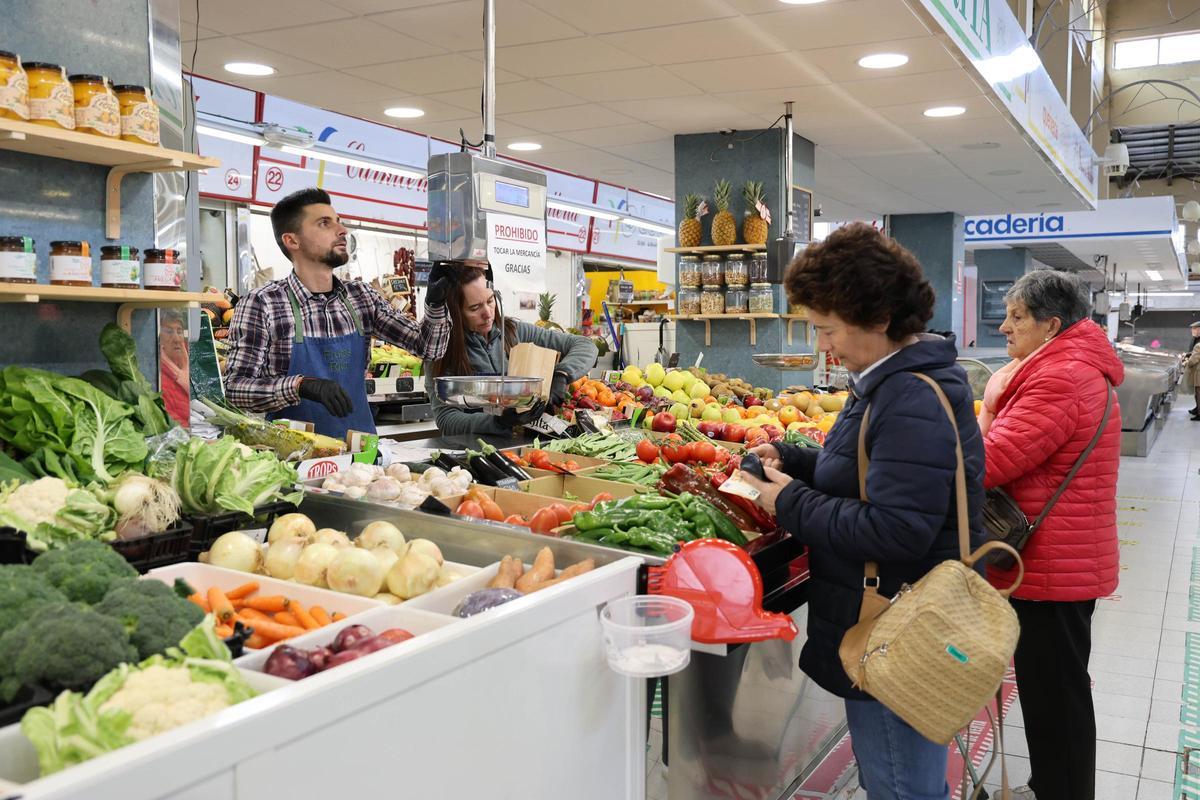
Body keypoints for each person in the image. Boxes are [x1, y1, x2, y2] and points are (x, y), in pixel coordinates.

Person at [739, 222, 984, 800]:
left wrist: (786, 498)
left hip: (896, 628)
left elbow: (897, 529)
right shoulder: (883, 382)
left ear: (876, 319)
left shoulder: (909, 395)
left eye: (827, 329)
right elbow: (872, 471)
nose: (823, 345)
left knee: (902, 785)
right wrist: (796, 459)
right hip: (883, 619)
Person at [977, 270, 1123, 800]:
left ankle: (1061, 791)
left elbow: (993, 461)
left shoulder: (1060, 376)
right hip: (1062, 560)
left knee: (1056, 696)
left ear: (1051, 325)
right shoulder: (1068, 368)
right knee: (1050, 692)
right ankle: (1053, 786)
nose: (1005, 325)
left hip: (1054, 566)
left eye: (1017, 317)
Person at [224, 188, 453, 438]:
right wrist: (300, 386)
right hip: (294, 462)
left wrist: (435, 304)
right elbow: (236, 390)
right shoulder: (263, 303)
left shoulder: (361, 298)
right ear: (292, 241)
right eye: (324, 223)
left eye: (339, 221)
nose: (342, 230)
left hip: (361, 461)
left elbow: (430, 348)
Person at [426, 266, 597, 436]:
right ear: (456, 312)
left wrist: (562, 374)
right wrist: (498, 422)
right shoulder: (441, 348)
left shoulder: (513, 332)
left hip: (520, 445)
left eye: (490, 301)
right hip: (473, 452)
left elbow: (584, 345)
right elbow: (446, 419)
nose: (487, 313)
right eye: (474, 308)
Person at [158, 310, 190, 426]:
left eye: (179, 331)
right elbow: (176, 428)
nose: (177, 339)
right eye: (169, 332)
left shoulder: (193, 359)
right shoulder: (157, 379)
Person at [1184, 321, 1200, 417]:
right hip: (1196, 368)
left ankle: (1199, 412)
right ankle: (1197, 408)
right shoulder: (1195, 339)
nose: (1192, 331)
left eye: (1194, 328)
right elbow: (1193, 351)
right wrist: (1187, 355)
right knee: (1197, 391)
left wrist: (1187, 362)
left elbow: (1195, 356)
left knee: (1199, 392)